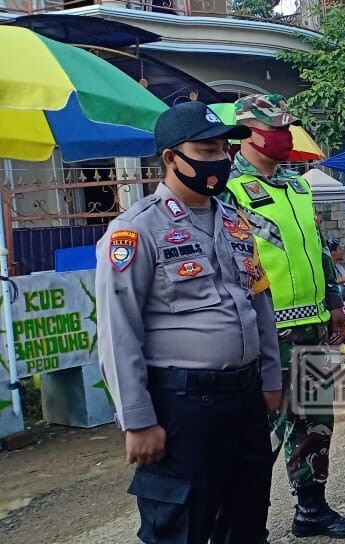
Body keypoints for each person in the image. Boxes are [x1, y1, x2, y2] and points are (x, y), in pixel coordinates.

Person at [95, 101, 281, 543]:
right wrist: (137, 420)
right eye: (205, 149)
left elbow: (260, 303)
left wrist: (271, 377)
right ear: (170, 159)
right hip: (183, 406)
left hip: (245, 397)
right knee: (182, 529)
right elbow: (118, 329)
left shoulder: (236, 223)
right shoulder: (136, 230)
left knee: (248, 520)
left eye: (223, 148)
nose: (219, 160)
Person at [222, 95, 345, 539]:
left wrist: (336, 304)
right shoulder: (229, 190)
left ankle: (311, 509)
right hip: (266, 330)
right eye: (277, 129)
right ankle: (246, 524)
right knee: (264, 431)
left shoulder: (297, 185)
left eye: (287, 128)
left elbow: (318, 249)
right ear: (248, 133)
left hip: (313, 324)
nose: (286, 136)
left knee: (315, 419)